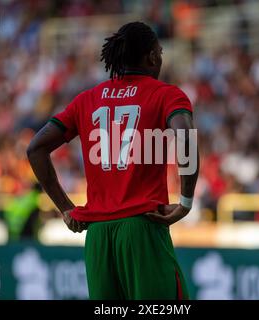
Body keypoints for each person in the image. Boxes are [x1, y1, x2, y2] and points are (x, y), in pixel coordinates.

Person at [27, 21, 199, 300]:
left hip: (97, 237)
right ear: (152, 57)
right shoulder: (166, 94)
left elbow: (36, 149)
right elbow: (185, 136)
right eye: (160, 51)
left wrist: (66, 209)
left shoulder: (87, 99)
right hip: (142, 227)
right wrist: (186, 201)